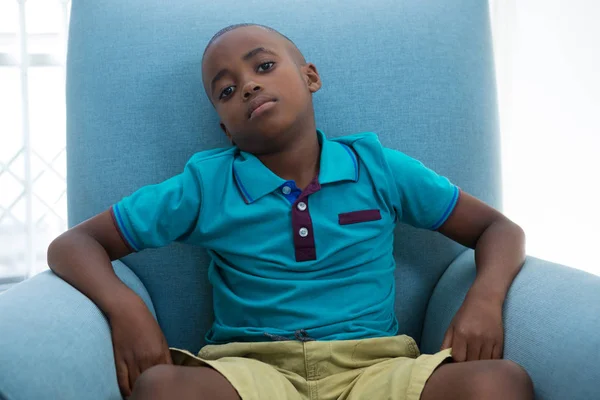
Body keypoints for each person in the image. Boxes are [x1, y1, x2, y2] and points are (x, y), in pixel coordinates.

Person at [48, 23, 534, 400]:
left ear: (310, 77)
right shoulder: (205, 184)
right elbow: (73, 245)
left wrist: (485, 300)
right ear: (224, 128)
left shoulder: (377, 167)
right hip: (250, 372)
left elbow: (498, 229)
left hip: (376, 369)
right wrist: (125, 307)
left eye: (262, 67)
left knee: (499, 383)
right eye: (226, 90)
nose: (247, 87)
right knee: (160, 387)